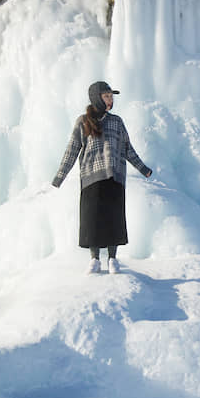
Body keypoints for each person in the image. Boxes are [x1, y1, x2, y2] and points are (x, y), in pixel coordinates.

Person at [52, 81, 152, 274]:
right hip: (91, 178)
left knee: (114, 218)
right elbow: (72, 150)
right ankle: (94, 259)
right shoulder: (83, 122)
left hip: (115, 177)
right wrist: (59, 177)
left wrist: (143, 169)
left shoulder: (117, 121)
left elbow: (127, 149)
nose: (110, 100)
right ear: (96, 98)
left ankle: (113, 259)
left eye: (111, 97)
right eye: (106, 96)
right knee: (92, 220)